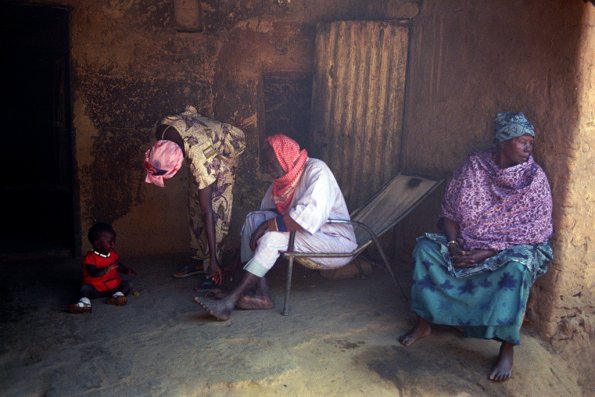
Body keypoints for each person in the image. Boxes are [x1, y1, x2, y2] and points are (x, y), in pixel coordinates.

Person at [398, 112, 554, 382]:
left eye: (531, 142)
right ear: (503, 142)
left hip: (506, 249)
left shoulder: (534, 179)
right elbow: (449, 212)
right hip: (466, 242)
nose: (529, 148)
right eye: (522, 141)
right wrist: (454, 244)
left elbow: (535, 231)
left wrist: (490, 250)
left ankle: (506, 347)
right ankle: (424, 323)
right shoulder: (474, 167)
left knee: (519, 266)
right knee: (425, 248)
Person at [194, 133, 358, 320]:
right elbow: (266, 214)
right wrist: (262, 227)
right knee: (252, 220)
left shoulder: (317, 171)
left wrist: (268, 226)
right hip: (312, 236)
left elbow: (303, 219)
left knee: (272, 237)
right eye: (268, 166)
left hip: (335, 242)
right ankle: (259, 292)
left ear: (284, 157)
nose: (270, 171)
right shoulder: (286, 178)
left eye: (273, 165)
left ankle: (232, 299)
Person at [144, 106, 246, 286]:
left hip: (223, 153)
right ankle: (200, 260)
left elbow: (208, 213)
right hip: (204, 140)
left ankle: (214, 265)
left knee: (215, 210)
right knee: (194, 205)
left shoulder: (200, 158)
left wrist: (214, 260)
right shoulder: (162, 130)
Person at [68, 222, 136, 313]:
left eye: (114, 241)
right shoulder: (90, 258)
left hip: (113, 286)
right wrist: (105, 270)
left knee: (128, 284)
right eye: (110, 242)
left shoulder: (113, 254)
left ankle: (117, 296)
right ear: (97, 244)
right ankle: (84, 303)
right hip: (96, 288)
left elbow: (118, 265)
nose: (113, 244)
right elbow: (92, 272)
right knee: (84, 288)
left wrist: (126, 270)